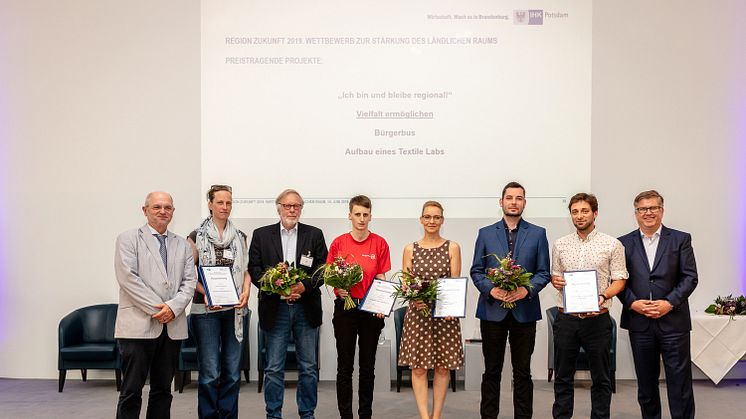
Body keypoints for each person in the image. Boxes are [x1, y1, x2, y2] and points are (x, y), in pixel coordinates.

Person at [470, 182, 551, 419]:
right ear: (501, 202)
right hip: (492, 311)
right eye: (509, 198)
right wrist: (491, 290)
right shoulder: (485, 233)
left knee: (523, 373)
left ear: (524, 202)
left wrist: (527, 290)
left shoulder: (538, 233)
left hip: (524, 311)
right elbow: (476, 271)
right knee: (492, 371)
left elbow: (543, 272)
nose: (513, 202)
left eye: (519, 198)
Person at [114, 191, 197, 419]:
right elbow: (128, 279)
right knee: (131, 390)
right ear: (145, 210)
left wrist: (173, 308)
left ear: (173, 212)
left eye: (167, 207)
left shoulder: (182, 244)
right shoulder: (128, 239)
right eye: (157, 207)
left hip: (171, 327)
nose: (163, 211)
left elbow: (190, 281)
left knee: (163, 391)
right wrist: (159, 309)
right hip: (137, 327)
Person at [248, 189, 328, 419]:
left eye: (297, 206)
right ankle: (273, 414)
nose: (292, 209)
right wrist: (277, 287)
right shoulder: (262, 235)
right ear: (278, 207)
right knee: (273, 368)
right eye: (287, 205)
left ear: (301, 208)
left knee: (309, 368)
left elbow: (322, 269)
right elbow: (254, 269)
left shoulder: (314, 234)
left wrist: (304, 286)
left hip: (306, 308)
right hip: (275, 309)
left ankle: (307, 413)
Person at [618, 190, 697, 419]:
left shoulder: (681, 239)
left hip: (674, 322)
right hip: (640, 323)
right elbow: (619, 279)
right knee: (646, 386)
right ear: (636, 213)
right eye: (643, 209)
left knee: (680, 384)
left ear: (662, 211)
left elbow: (690, 277)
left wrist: (669, 303)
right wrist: (633, 304)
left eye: (653, 208)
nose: (648, 213)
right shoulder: (623, 243)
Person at [550, 193, 628, 419]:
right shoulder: (560, 244)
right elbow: (556, 277)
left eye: (584, 211)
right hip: (566, 319)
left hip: (598, 320)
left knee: (601, 378)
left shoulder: (612, 244)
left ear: (595, 213)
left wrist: (602, 296)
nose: (579, 216)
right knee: (563, 377)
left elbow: (620, 280)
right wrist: (556, 282)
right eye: (574, 212)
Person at [187, 185, 251, 419]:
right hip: (205, 311)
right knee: (210, 372)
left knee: (233, 372)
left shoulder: (241, 236)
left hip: (234, 311)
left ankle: (228, 415)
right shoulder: (195, 237)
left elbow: (245, 271)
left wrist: (246, 292)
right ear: (210, 204)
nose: (225, 207)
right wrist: (206, 292)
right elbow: (189, 274)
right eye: (220, 202)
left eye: (229, 203)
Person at [398, 201, 464, 419]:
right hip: (418, 315)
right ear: (421, 219)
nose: (432, 221)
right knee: (418, 368)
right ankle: (424, 416)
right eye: (427, 217)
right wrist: (414, 299)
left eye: (436, 217)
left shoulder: (452, 247)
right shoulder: (410, 248)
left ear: (442, 220)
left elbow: (454, 283)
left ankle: (436, 416)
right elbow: (406, 284)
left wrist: (448, 306)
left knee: (443, 367)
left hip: (444, 316)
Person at [328, 195, 391, 419]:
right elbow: (330, 275)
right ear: (350, 215)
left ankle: (366, 414)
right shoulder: (338, 243)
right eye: (357, 214)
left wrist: (383, 303)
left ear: (371, 216)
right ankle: (346, 415)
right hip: (345, 310)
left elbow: (382, 276)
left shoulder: (380, 243)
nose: (362, 219)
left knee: (367, 368)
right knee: (345, 367)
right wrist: (339, 290)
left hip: (370, 310)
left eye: (365, 214)